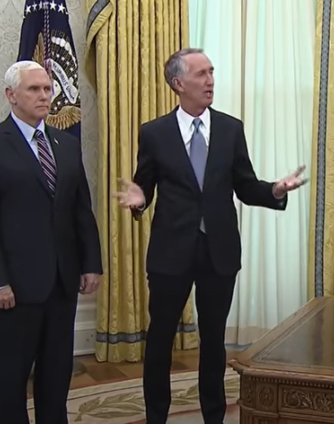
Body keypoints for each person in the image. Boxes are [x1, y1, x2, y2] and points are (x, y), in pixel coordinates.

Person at [114, 48, 307, 424]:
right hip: (171, 252)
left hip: (219, 251)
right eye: (201, 74)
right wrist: (139, 201)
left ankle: (214, 416)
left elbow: (245, 186)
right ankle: (156, 416)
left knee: (214, 340)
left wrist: (275, 190)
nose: (210, 81)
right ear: (178, 83)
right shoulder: (154, 133)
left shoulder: (231, 129)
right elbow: (144, 188)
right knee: (160, 339)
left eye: (212, 72)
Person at [0, 60, 102, 424]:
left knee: (57, 375)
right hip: (13, 288)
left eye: (47, 88)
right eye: (34, 89)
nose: (44, 96)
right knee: (12, 378)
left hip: (62, 283)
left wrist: (91, 263)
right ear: (11, 95)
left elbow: (80, 210)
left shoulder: (66, 145)